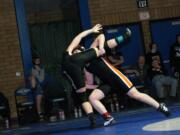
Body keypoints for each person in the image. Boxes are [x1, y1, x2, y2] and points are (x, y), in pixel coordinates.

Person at [86, 33, 171, 117]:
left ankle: (160, 106)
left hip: (117, 77)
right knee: (93, 97)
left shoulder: (91, 51)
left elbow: (100, 36)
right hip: (107, 83)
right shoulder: (84, 66)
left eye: (77, 52)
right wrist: (83, 86)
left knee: (135, 95)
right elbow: (90, 83)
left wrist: (101, 47)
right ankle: (108, 118)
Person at [63, 24, 106, 127]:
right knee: (83, 96)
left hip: (67, 68)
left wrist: (92, 30)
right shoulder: (82, 57)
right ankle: (92, 119)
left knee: (83, 97)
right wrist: (101, 47)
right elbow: (99, 36)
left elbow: (79, 37)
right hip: (76, 65)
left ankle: (92, 120)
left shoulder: (67, 53)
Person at [30, 56, 48, 121]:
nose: (38, 61)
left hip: (44, 86)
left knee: (44, 101)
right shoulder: (33, 68)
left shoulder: (42, 67)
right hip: (38, 87)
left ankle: (44, 113)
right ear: (34, 61)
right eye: (36, 60)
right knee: (38, 102)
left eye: (38, 60)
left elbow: (42, 78)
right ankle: (39, 114)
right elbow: (39, 79)